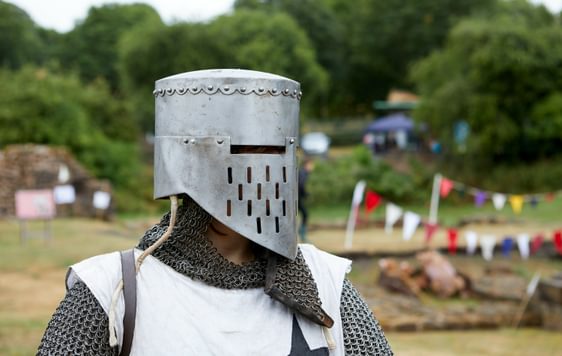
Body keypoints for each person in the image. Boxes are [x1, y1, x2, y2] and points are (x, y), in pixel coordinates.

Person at [37, 69, 392, 355]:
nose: (270, 173)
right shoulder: (112, 291)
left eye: (278, 153)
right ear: (195, 160)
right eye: (250, 154)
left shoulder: (325, 283)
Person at [298, 158, 315, 242]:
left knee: (304, 214)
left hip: (297, 197)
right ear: (306, 165)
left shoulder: (303, 172)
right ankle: (302, 234)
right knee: (305, 214)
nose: (312, 167)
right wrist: (305, 194)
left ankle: (301, 233)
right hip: (296, 198)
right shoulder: (303, 173)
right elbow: (300, 185)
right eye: (311, 165)